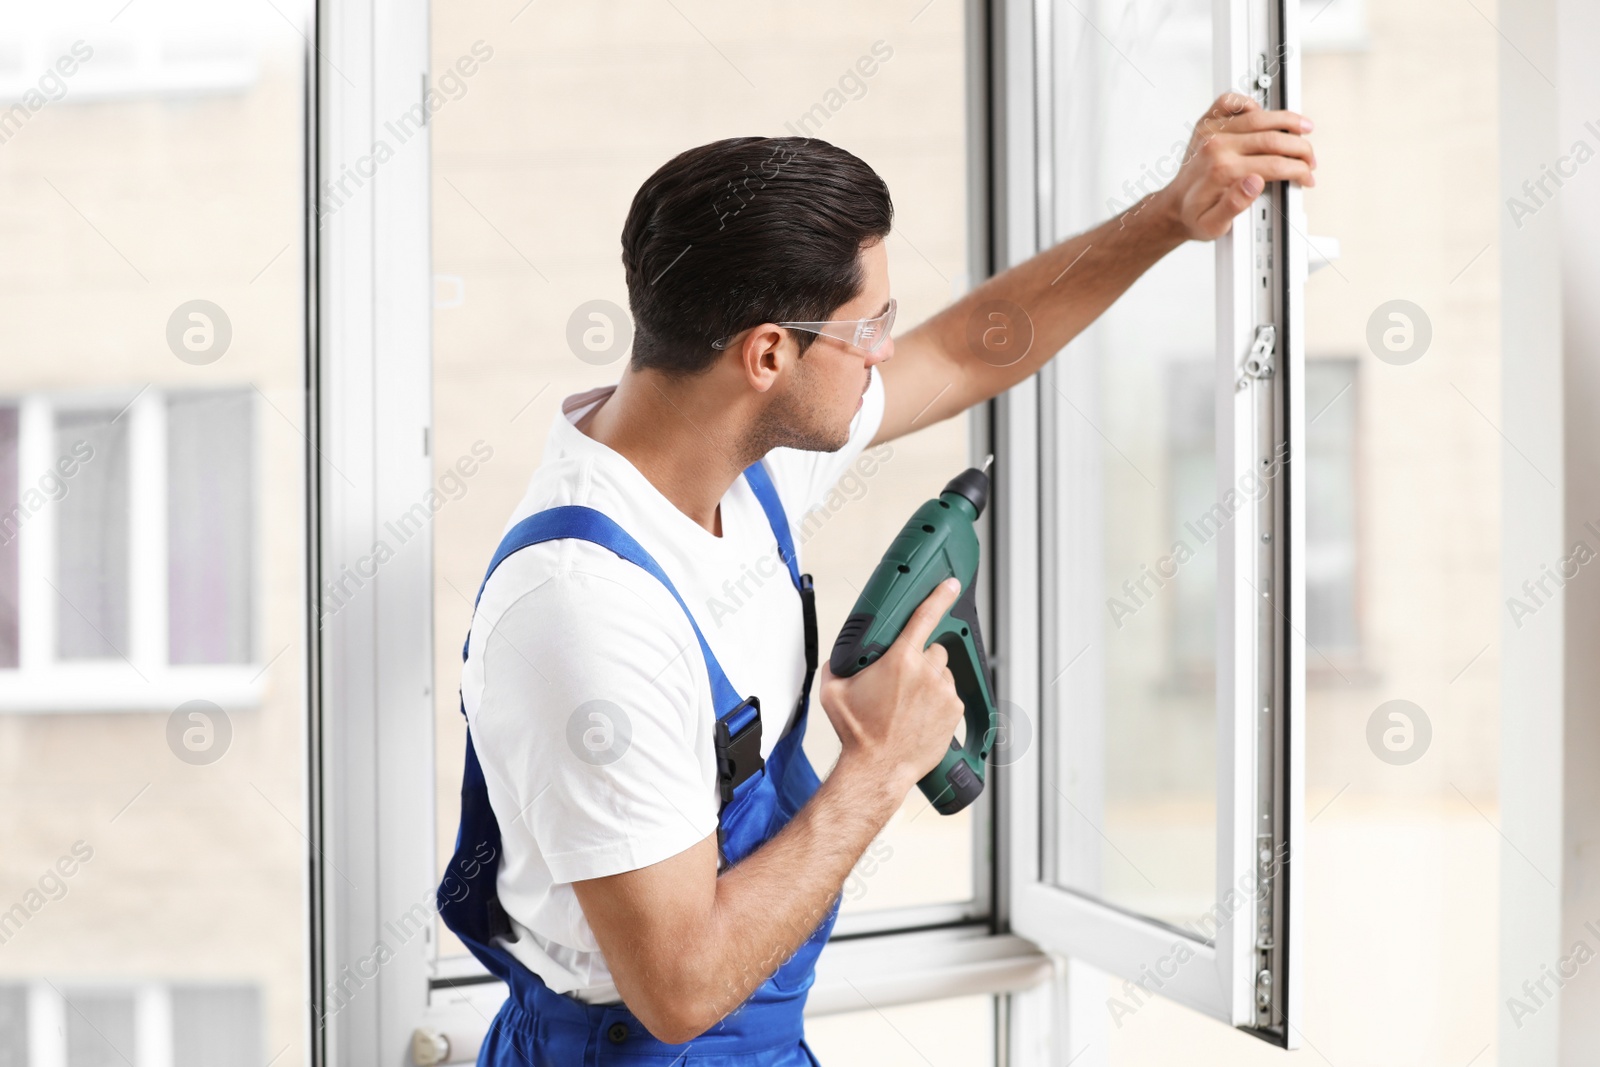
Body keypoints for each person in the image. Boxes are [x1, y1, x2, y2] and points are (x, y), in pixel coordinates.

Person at [440, 91, 1316, 1064]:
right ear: (767, 351)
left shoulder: (735, 448)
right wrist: (883, 760)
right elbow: (678, 989)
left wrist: (1169, 215)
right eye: (868, 328)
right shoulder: (583, 610)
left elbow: (963, 347)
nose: (889, 349)